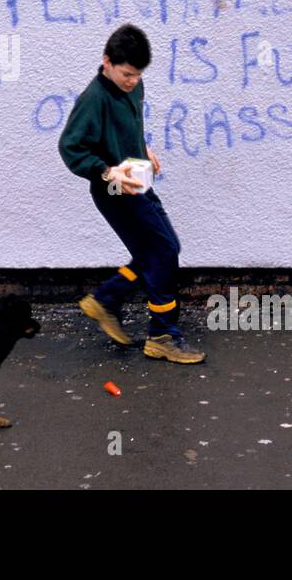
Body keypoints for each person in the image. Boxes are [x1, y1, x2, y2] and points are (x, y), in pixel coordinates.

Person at [57, 23, 205, 364]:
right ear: (106, 61)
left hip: (137, 181)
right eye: (126, 74)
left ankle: (107, 299)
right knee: (164, 250)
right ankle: (163, 335)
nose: (133, 81)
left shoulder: (132, 88)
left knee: (158, 249)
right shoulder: (93, 99)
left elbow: (127, 129)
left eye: (138, 75)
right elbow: (70, 147)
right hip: (113, 189)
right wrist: (107, 171)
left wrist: (144, 149)